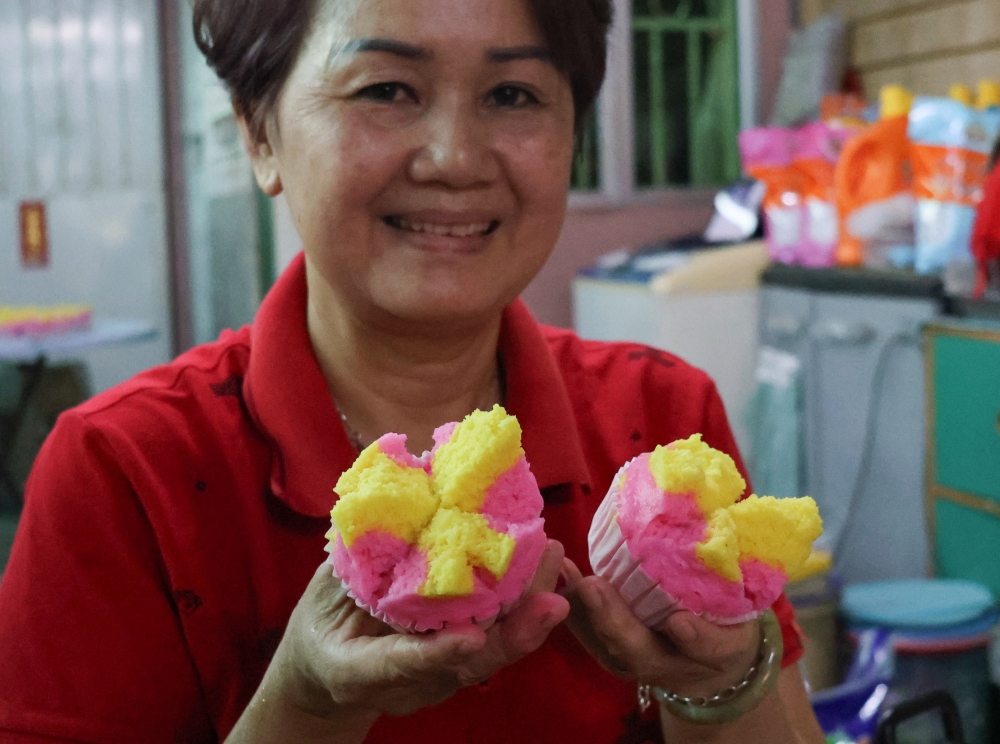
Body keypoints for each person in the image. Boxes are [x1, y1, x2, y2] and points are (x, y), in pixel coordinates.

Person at [0, 0, 828, 742]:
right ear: (259, 133)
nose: (454, 157)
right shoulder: (124, 472)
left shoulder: (662, 421)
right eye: (386, 89)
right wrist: (305, 706)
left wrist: (718, 681)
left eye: (514, 96)